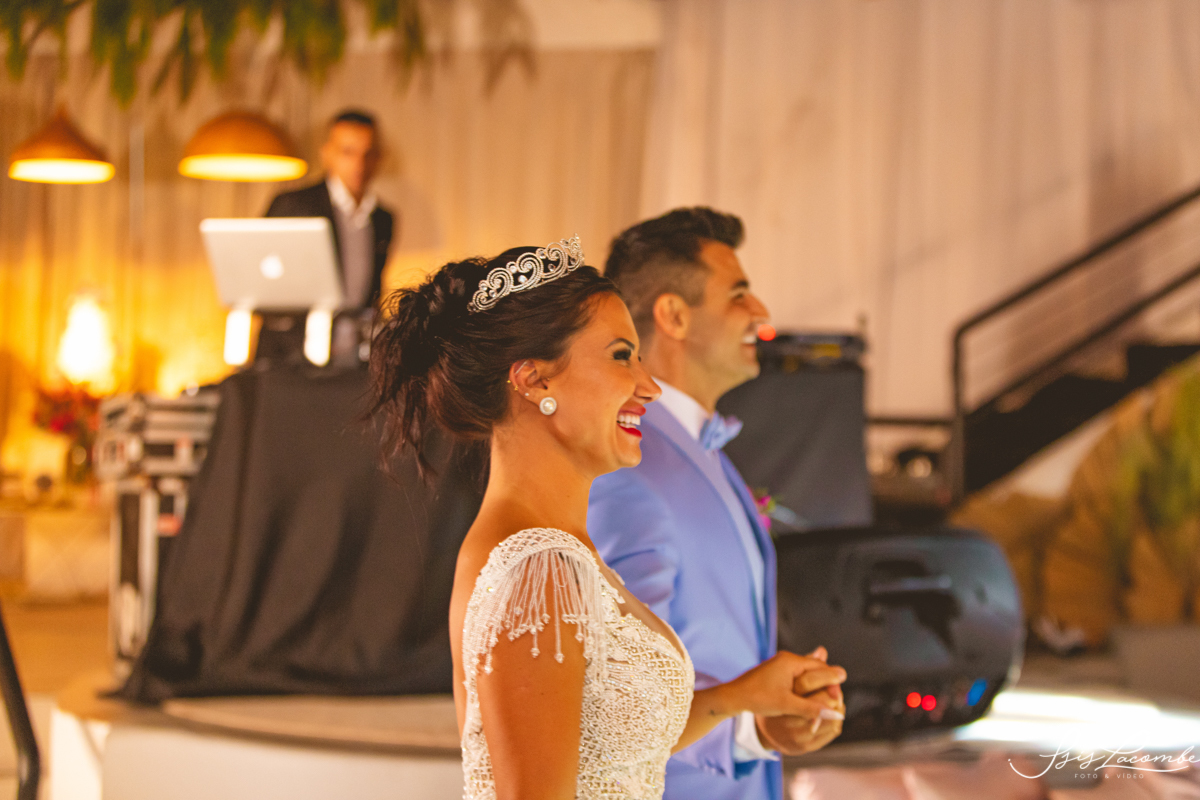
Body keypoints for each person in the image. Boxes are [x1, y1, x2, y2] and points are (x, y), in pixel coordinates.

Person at [368, 237, 846, 799]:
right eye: (621, 356)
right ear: (534, 380)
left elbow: (604, 750)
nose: (648, 386)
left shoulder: (555, 550)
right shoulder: (538, 568)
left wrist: (738, 699)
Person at [588, 208, 845, 800]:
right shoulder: (632, 464)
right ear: (674, 315)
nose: (760, 312)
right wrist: (744, 728)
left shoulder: (703, 451)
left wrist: (768, 719)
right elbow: (619, 691)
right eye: (738, 295)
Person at [260, 109, 395, 366]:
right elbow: (263, 277)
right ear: (327, 153)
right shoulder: (293, 205)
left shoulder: (383, 219)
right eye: (348, 152)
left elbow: (372, 292)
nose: (359, 163)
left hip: (353, 358)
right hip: (290, 357)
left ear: (379, 157)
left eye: (368, 153)